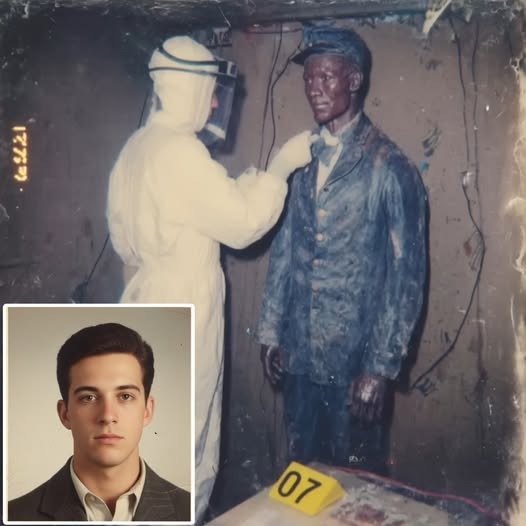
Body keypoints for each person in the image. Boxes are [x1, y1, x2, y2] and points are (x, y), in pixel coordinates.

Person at [106, 36, 313, 522]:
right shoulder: (181, 153)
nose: (217, 103)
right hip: (186, 308)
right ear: (191, 90)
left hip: (143, 301)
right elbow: (243, 224)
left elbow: (127, 242)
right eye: (210, 92)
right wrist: (282, 167)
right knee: (186, 443)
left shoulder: (137, 148)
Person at [257, 26, 427, 473]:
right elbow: (284, 250)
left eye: (326, 77)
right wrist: (271, 331)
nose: (314, 89)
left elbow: (406, 279)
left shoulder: (390, 167)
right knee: (301, 475)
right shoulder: (301, 159)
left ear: (354, 80)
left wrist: (381, 368)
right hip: (299, 360)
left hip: (355, 369)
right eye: (309, 78)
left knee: (355, 482)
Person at [8, 322, 190, 521]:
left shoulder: (198, 512)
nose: (107, 415)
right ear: (65, 414)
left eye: (125, 396)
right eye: (89, 397)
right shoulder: (13, 516)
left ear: (147, 410)